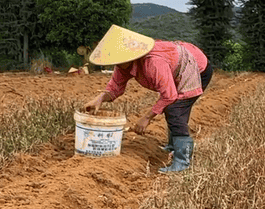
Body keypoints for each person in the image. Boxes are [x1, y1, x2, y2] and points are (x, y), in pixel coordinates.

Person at [83, 25, 212, 173]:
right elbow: (115, 88)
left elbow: (169, 96)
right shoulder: (123, 65)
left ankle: (182, 161)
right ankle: (172, 146)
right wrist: (99, 99)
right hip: (177, 66)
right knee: (173, 109)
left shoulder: (153, 63)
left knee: (175, 109)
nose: (116, 64)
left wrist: (146, 118)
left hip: (197, 67)